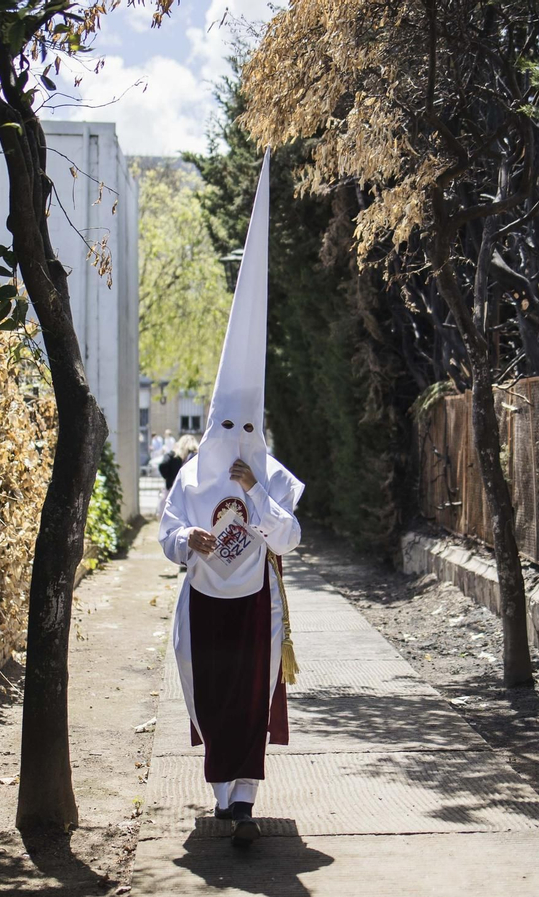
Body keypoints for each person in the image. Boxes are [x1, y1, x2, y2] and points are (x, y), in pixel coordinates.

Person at [159, 151, 303, 849]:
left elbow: (290, 536)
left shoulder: (267, 471)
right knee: (211, 696)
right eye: (228, 427)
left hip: (253, 605)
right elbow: (168, 533)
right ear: (214, 423)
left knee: (250, 699)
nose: (237, 439)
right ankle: (222, 794)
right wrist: (185, 540)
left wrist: (258, 497)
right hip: (203, 603)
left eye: (247, 428)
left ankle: (243, 801)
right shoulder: (190, 477)